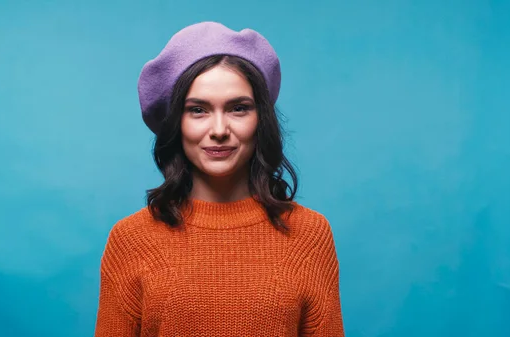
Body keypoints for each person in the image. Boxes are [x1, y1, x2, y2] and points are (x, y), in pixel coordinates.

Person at [94, 21, 344, 336]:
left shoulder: (310, 235)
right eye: (198, 110)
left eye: (238, 108)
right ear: (176, 125)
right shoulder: (131, 240)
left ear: (260, 120)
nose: (219, 130)